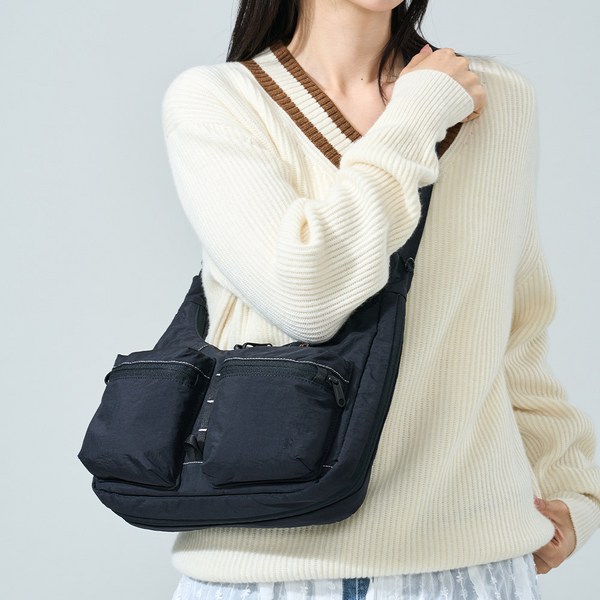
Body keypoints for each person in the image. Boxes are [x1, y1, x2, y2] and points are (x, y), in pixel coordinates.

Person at [162, 1, 600, 598]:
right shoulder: (220, 101)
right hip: (269, 570)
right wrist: (418, 114)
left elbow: (514, 327)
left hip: (469, 566)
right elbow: (308, 294)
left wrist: (572, 486)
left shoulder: (496, 98)